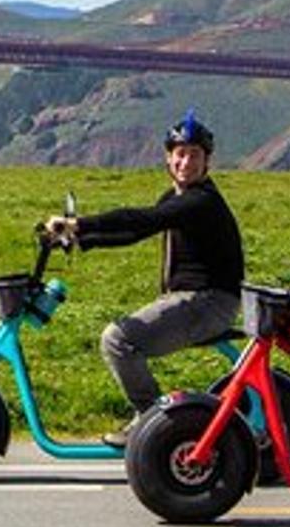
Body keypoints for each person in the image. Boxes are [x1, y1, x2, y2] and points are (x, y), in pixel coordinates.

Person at [45, 110, 244, 447]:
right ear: (168, 158)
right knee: (122, 337)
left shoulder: (200, 202)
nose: (186, 162)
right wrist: (83, 240)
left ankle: (151, 420)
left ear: (206, 162)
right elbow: (135, 232)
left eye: (195, 155)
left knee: (117, 340)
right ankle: (154, 421)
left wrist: (80, 224)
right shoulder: (176, 199)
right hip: (192, 299)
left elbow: (143, 218)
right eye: (180, 154)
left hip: (208, 302)